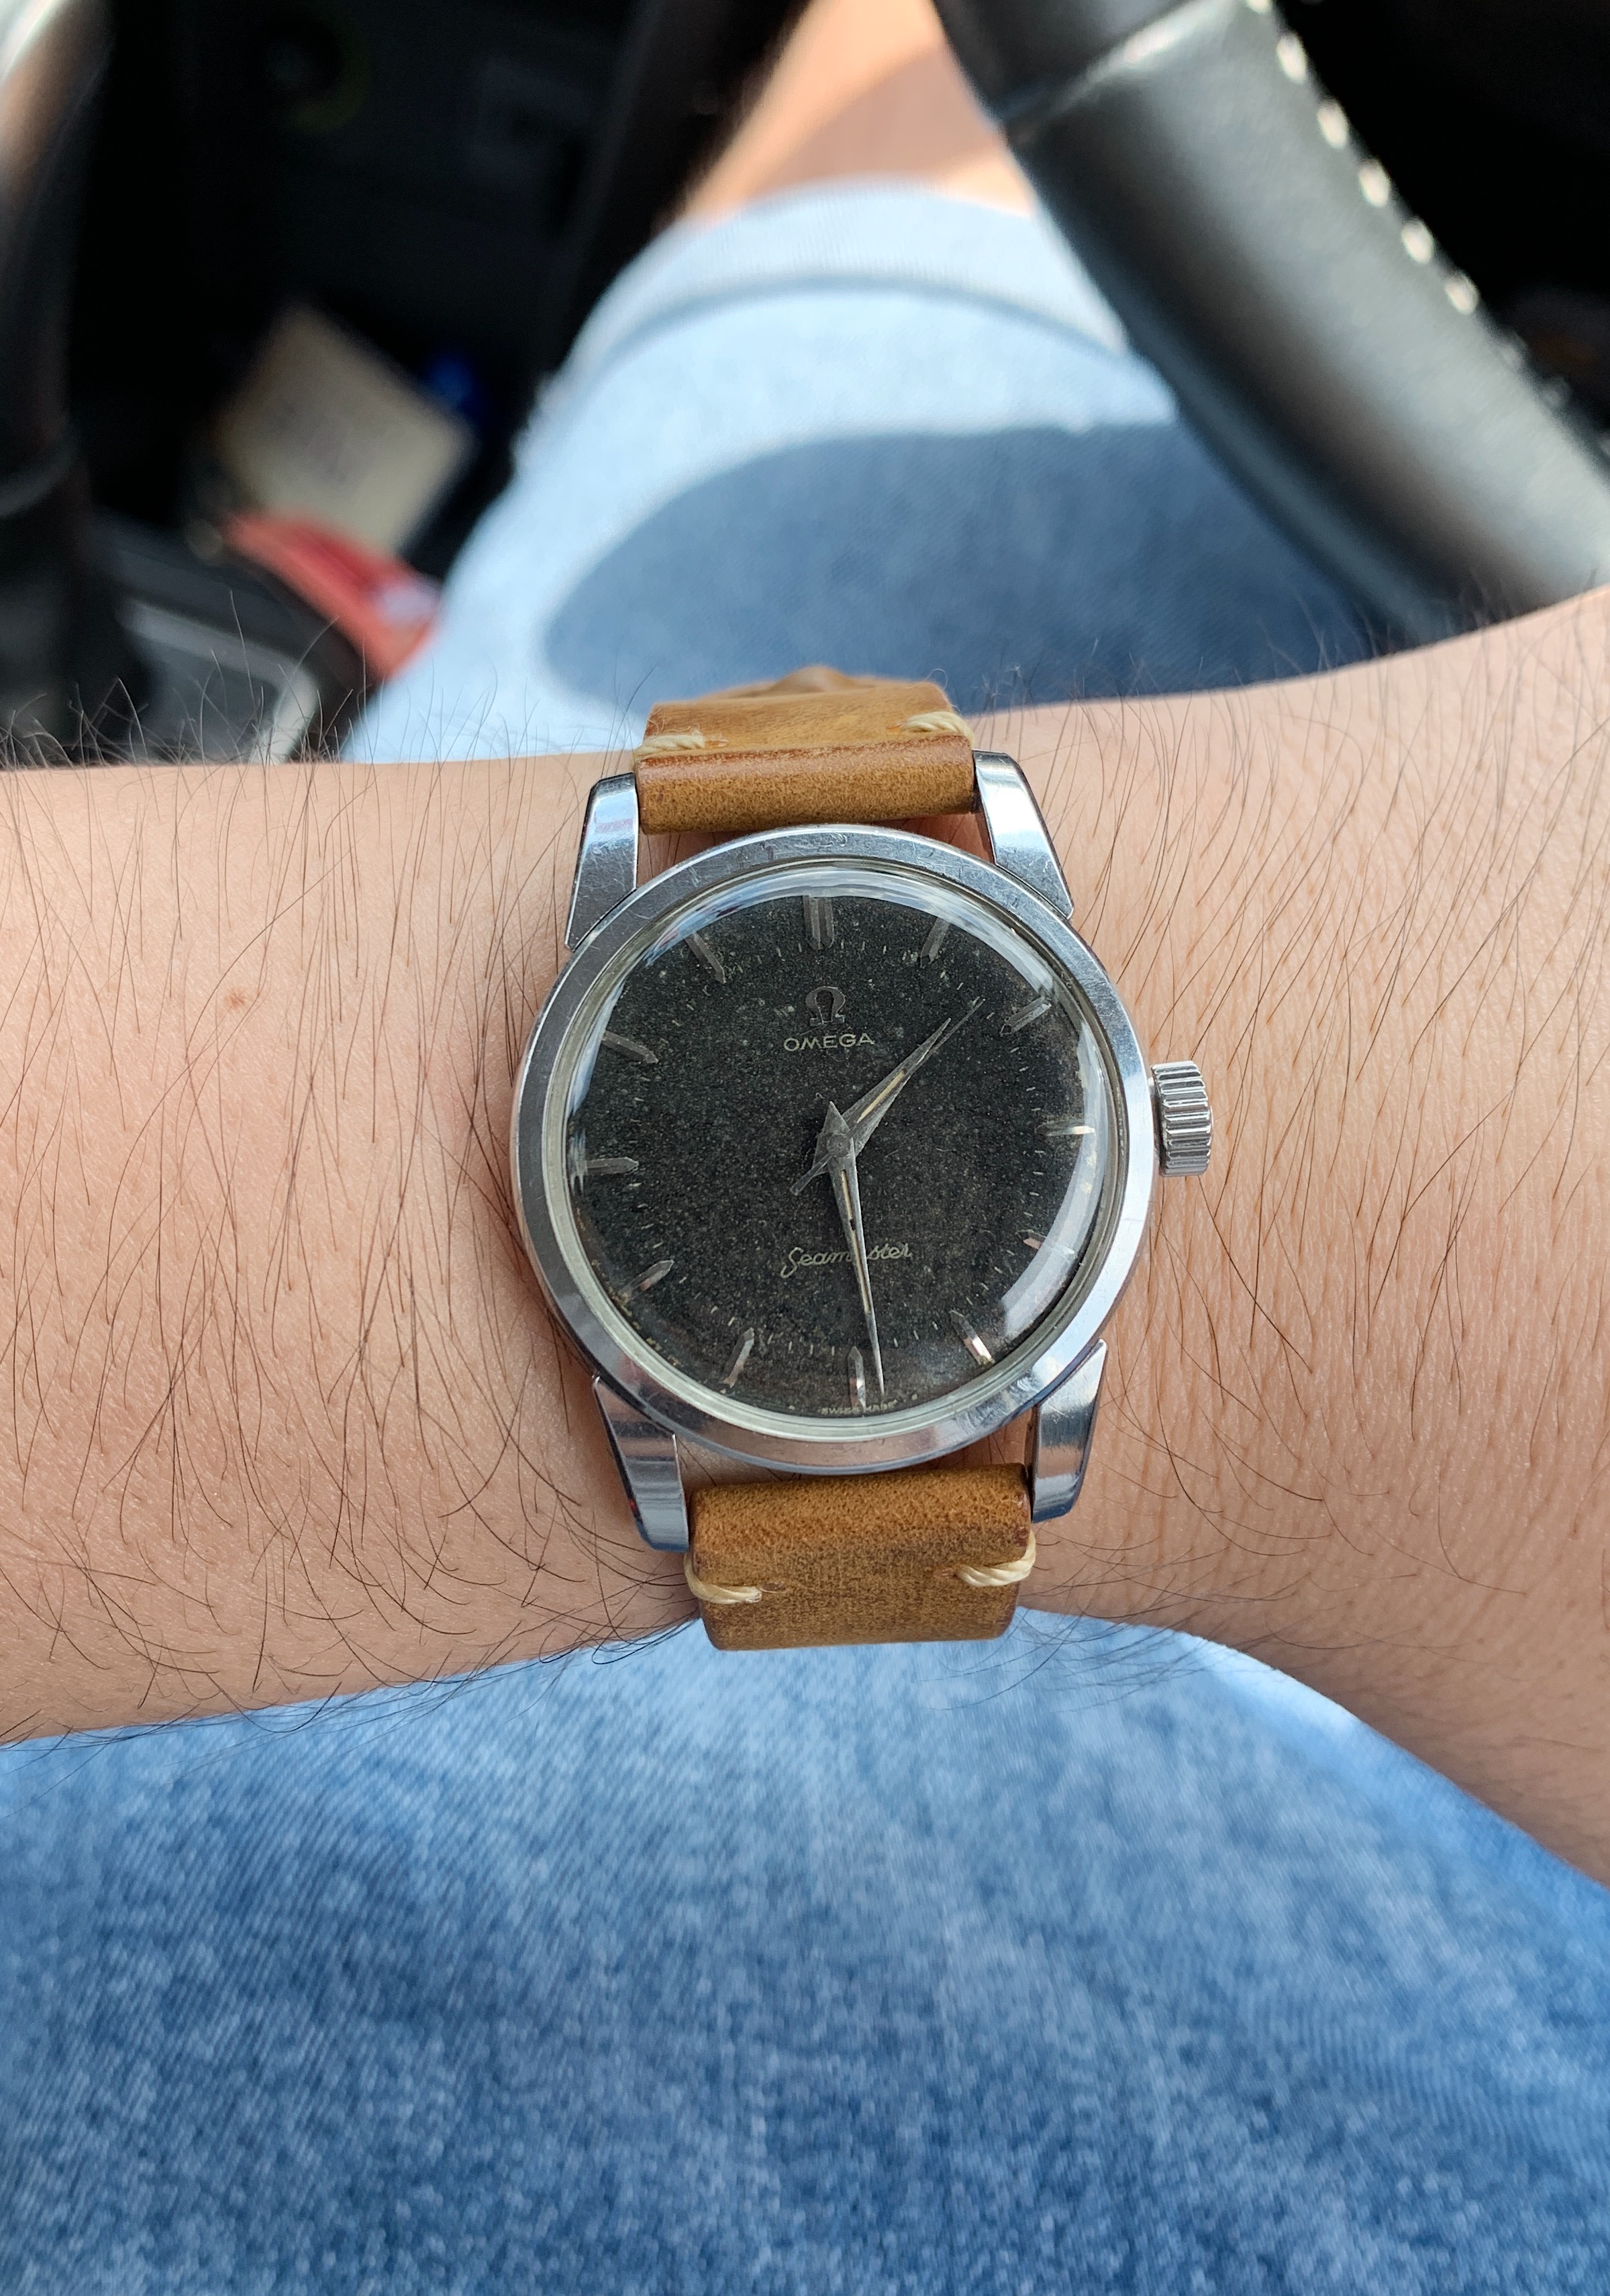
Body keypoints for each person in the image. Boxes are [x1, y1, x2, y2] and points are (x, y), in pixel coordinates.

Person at [2, 1, 1607, 2285]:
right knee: (871, 279)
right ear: (1150, 1114)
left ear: (1155, 1125)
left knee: (866, 251)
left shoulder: (1028, 1115)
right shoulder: (902, 1061)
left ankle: (892, 147)